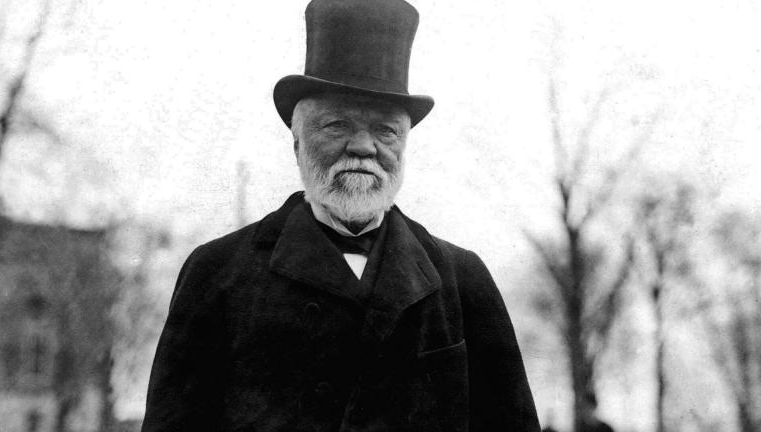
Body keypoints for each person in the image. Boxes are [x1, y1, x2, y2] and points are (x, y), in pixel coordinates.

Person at [141, 0, 540, 431]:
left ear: (404, 145)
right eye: (337, 125)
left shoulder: (462, 280)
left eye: (386, 130)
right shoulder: (217, 272)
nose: (364, 147)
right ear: (297, 142)